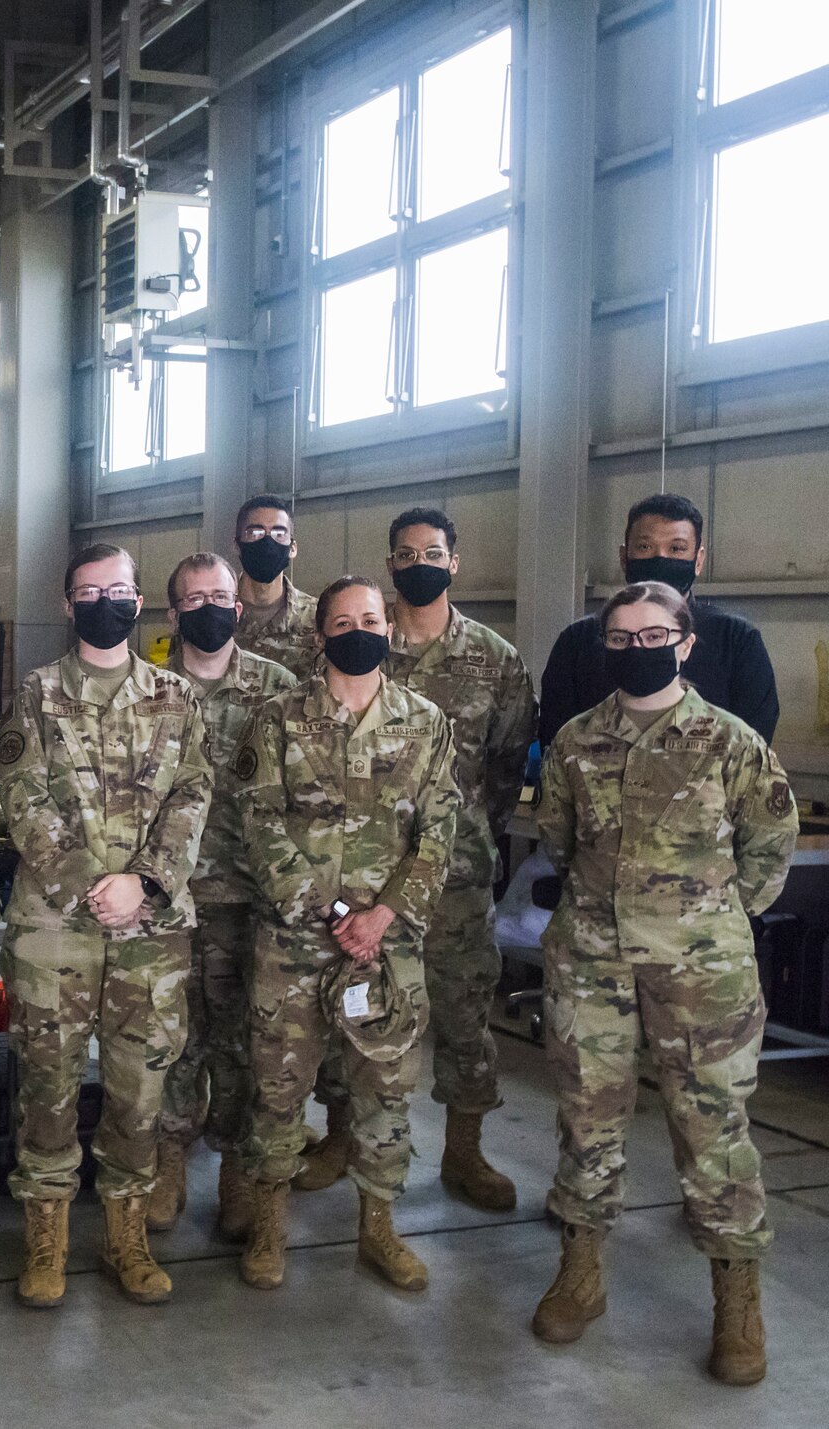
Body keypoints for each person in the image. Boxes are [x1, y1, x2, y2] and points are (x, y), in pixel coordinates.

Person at [530, 581, 797, 1386]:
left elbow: (771, 838)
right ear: (605, 646)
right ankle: (581, 1272)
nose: (637, 649)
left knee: (713, 1127)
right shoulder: (578, 740)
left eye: (654, 635)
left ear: (685, 643)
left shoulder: (729, 741)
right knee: (587, 1116)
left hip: (701, 971)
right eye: (621, 637)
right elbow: (558, 835)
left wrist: (716, 916)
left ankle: (737, 1297)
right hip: (593, 959)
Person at [296, 510, 536, 1207]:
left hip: (454, 879)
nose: (419, 561)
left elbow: (504, 765)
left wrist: (470, 840)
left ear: (454, 563)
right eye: (406, 552)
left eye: (433, 552)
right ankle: (342, 1136)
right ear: (391, 562)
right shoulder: (360, 640)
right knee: (353, 1006)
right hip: (360, 880)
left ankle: (464, 1150)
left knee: (464, 1013)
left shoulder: (495, 658)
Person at [0, 543, 212, 1309]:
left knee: (138, 1092)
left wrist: (145, 882)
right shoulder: (37, 692)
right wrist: (92, 883)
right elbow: (21, 795)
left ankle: (127, 1235)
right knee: (48, 1088)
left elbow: (193, 792)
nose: (105, 601)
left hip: (150, 930)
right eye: (90, 590)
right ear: (67, 602)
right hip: (58, 924)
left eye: (118, 589)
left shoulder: (175, 696)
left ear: (139, 598)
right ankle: (46, 1239)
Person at [234, 576, 460, 1294]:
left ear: (389, 629)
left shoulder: (424, 723)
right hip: (296, 939)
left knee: (385, 1091)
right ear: (319, 634)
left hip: (386, 949)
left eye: (370, 618)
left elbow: (440, 833)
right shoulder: (278, 719)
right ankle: (270, 1227)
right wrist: (333, 912)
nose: (358, 628)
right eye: (343, 619)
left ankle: (379, 1228)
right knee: (278, 1088)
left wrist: (383, 916)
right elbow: (259, 821)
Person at [151, 552, 296, 1239]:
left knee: (244, 1042)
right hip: (170, 900)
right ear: (173, 611)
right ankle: (168, 1162)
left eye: (221, 595)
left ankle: (239, 1167)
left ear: (238, 607)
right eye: (194, 598)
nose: (210, 607)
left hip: (250, 895)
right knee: (172, 1039)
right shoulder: (149, 687)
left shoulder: (280, 689)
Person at [538, 493, 778, 748]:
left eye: (676, 548)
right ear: (624, 557)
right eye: (644, 547)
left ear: (698, 560)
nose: (661, 558)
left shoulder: (737, 640)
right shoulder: (579, 641)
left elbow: (753, 749)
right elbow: (555, 743)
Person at [231, 493, 318, 680]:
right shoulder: (213, 612)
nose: (267, 542)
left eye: (279, 534)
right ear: (237, 545)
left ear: (292, 548)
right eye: (255, 533)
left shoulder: (318, 618)